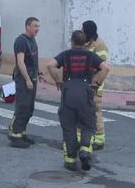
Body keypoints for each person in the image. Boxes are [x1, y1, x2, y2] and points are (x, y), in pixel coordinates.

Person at [46, 29, 110, 172]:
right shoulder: (90, 56)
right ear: (84, 42)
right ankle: (85, 149)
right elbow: (105, 68)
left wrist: (58, 81)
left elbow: (50, 64)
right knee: (88, 125)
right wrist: (96, 83)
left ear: (72, 42)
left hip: (68, 92)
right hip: (85, 93)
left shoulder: (65, 55)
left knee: (69, 127)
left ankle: (70, 160)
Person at [7, 16, 40, 148]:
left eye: (38, 26)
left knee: (29, 108)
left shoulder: (32, 40)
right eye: (35, 26)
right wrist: (27, 79)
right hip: (23, 78)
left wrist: (39, 73)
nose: (37, 29)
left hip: (32, 76)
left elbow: (33, 60)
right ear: (27, 26)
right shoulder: (21, 41)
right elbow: (21, 62)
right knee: (22, 107)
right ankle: (15, 135)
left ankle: (22, 132)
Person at [82, 20, 110, 150]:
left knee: (96, 111)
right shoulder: (87, 42)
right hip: (86, 82)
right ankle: (89, 137)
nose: (81, 32)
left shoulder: (99, 45)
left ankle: (98, 140)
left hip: (95, 84)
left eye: (83, 31)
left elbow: (100, 66)